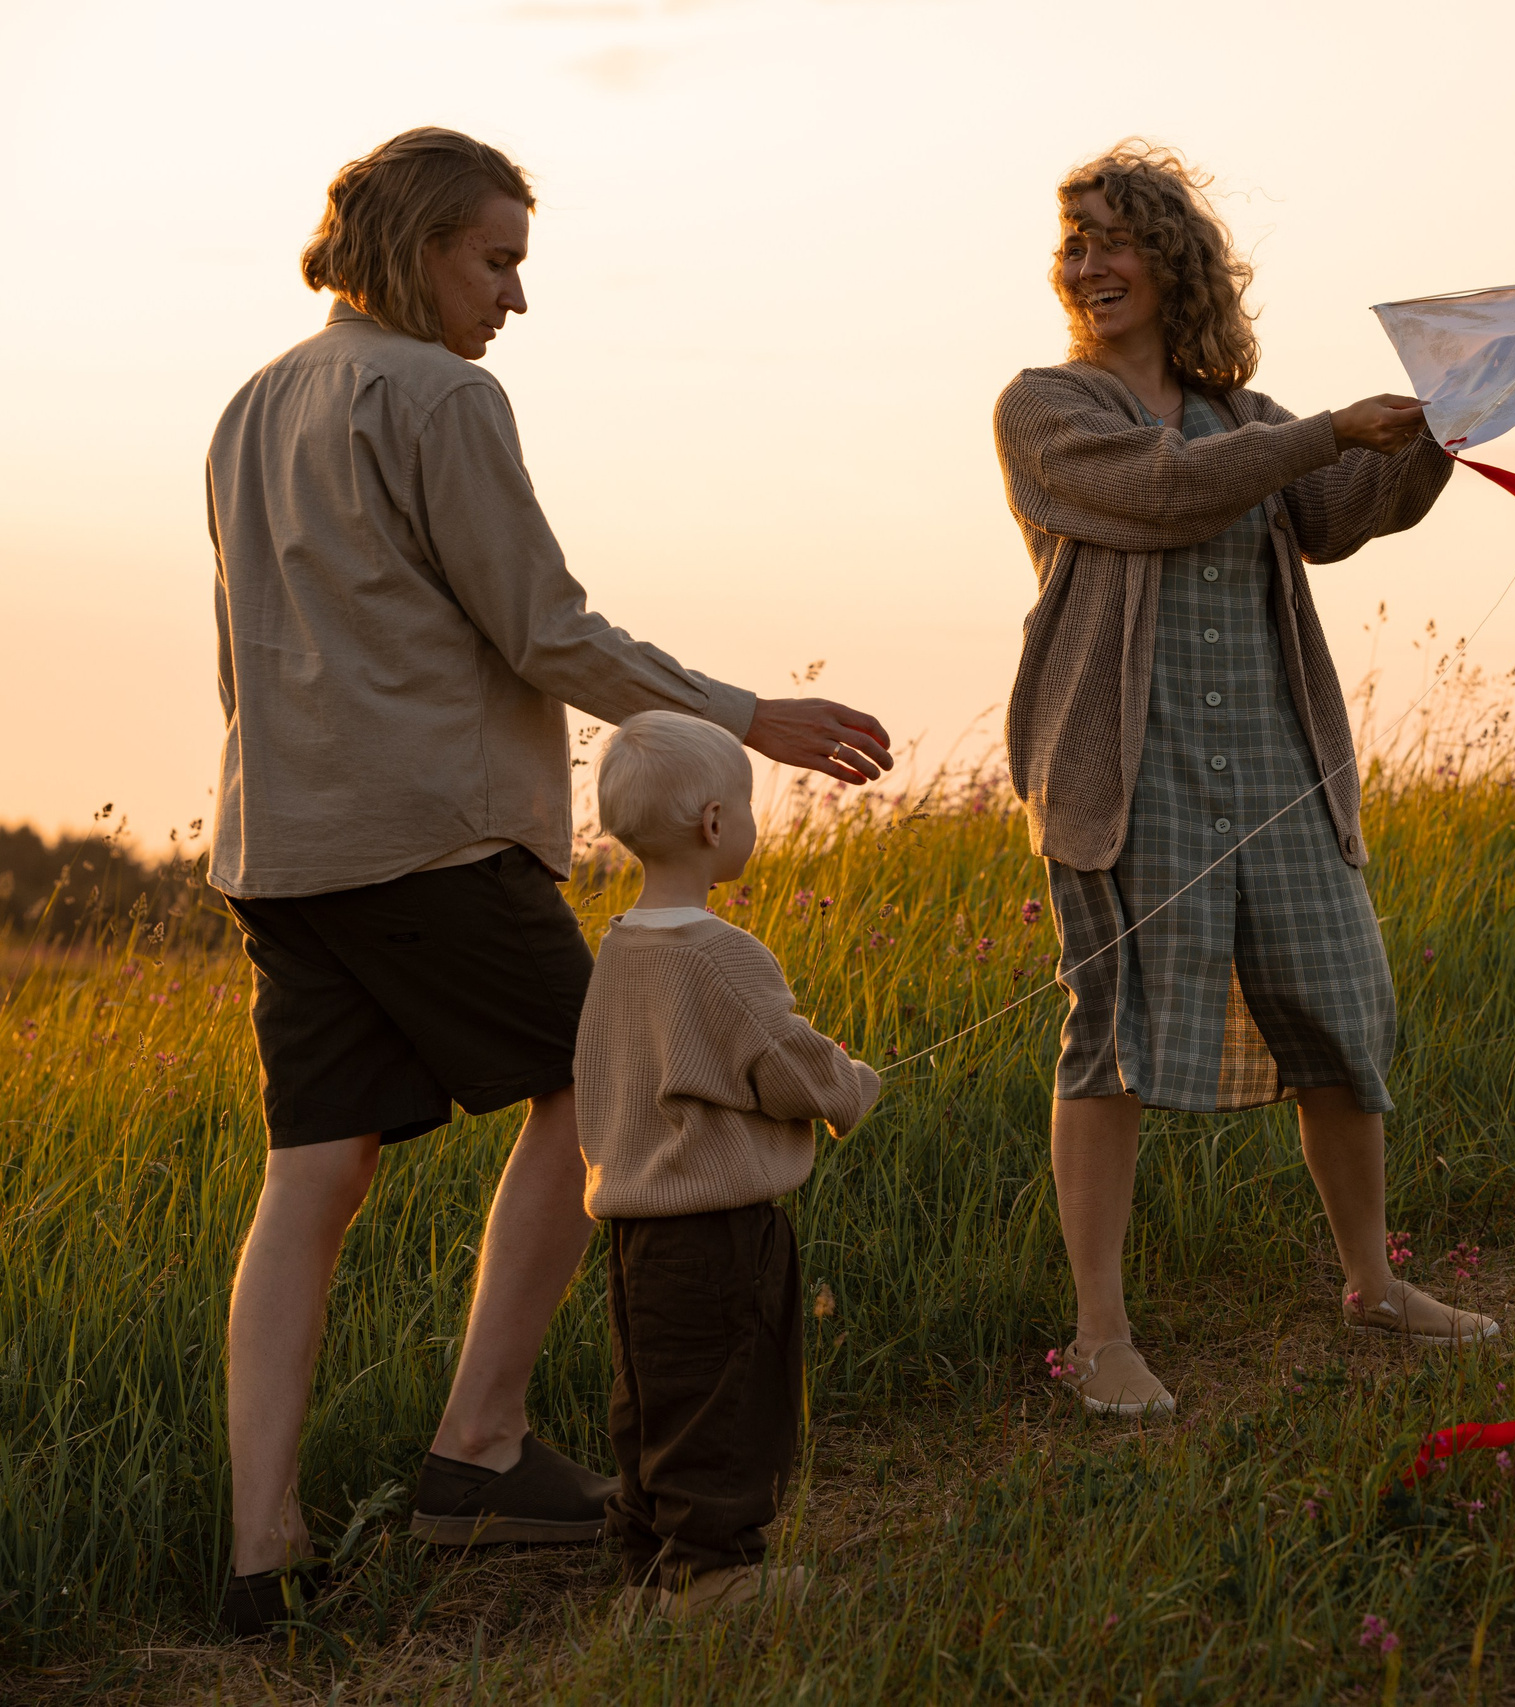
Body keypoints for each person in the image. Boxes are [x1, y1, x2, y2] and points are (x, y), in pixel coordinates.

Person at [205, 127, 892, 1635]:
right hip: (428, 836)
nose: (514, 296)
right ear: (418, 246)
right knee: (605, 1086)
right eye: (495, 258)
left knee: (313, 1174)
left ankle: (263, 1552)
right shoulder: (443, 394)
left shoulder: (254, 401)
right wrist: (741, 713)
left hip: (282, 848)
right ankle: (479, 1449)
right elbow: (546, 628)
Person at [993, 142, 1497, 1418]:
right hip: (1126, 774)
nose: (1088, 264)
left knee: (1342, 1019)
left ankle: (1375, 1283)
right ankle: (1100, 1338)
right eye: (1075, 243)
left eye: (1113, 240)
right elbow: (1160, 496)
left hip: (1278, 768)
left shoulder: (1244, 418)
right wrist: (1327, 429)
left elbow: (1336, 513)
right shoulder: (1047, 408)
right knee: (1112, 1045)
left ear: (1173, 261)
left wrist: (1443, 424)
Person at [573, 711, 881, 1617]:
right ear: (715, 824)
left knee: (654, 1393)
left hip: (633, 1225)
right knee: (728, 1394)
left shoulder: (618, 946)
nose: (750, 819)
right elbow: (787, 1064)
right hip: (716, 1227)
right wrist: (851, 1088)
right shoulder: (726, 957)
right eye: (745, 803)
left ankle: (652, 1568)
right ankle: (714, 1574)